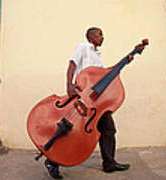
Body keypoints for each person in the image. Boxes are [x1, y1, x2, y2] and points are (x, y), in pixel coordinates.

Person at [44, 27, 130, 179]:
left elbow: (104, 76)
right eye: (99, 34)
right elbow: (72, 65)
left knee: (109, 129)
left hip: (95, 103)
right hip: (81, 98)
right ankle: (52, 161)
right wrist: (69, 84)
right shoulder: (82, 47)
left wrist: (126, 60)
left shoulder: (98, 56)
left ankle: (109, 163)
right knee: (70, 132)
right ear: (91, 36)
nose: (102, 37)